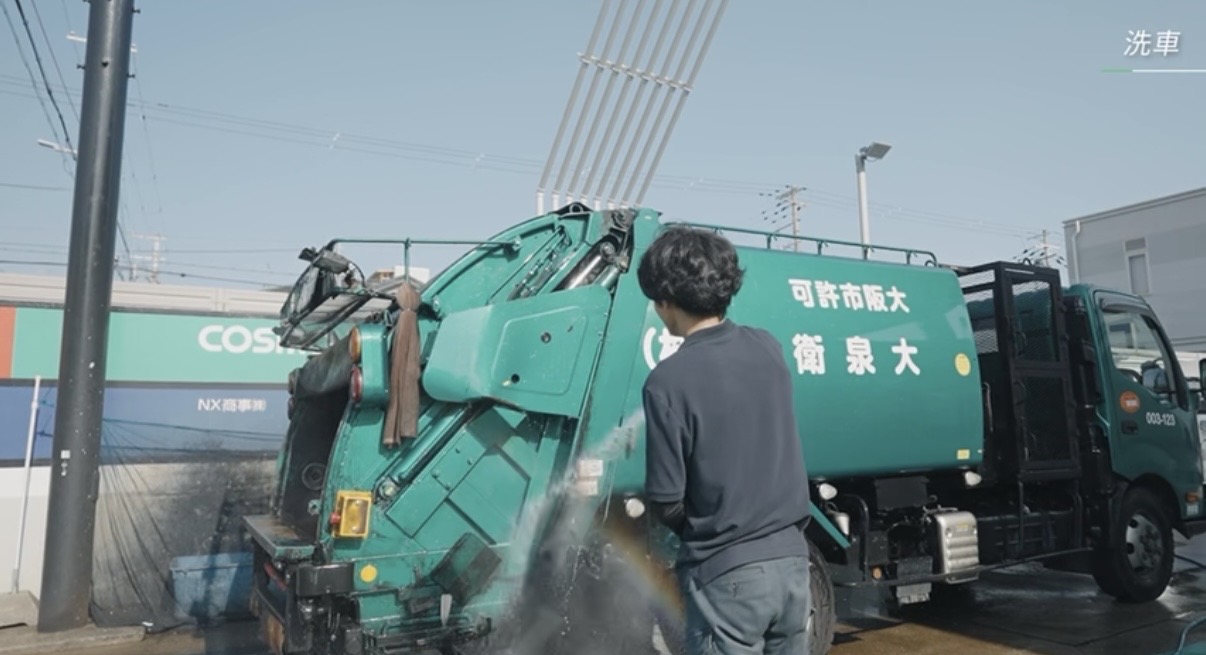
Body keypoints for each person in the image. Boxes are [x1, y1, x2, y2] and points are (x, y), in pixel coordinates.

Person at [637, 225, 813, 655]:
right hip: (793, 563)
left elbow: (666, 500)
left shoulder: (667, 381)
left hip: (727, 576)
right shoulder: (768, 348)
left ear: (665, 299)